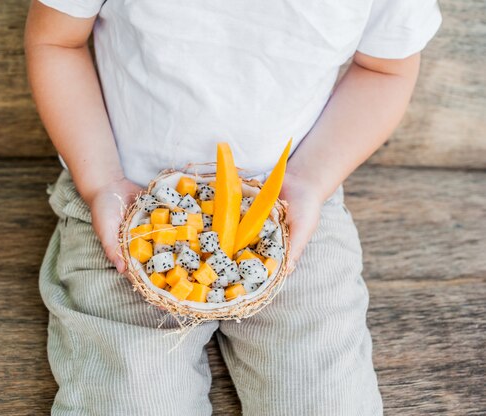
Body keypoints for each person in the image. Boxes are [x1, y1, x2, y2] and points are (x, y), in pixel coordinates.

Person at [25, 0, 441, 414]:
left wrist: (310, 181)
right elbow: (57, 41)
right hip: (127, 205)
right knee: (130, 401)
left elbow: (385, 68)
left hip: (292, 207)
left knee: (325, 400)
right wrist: (101, 182)